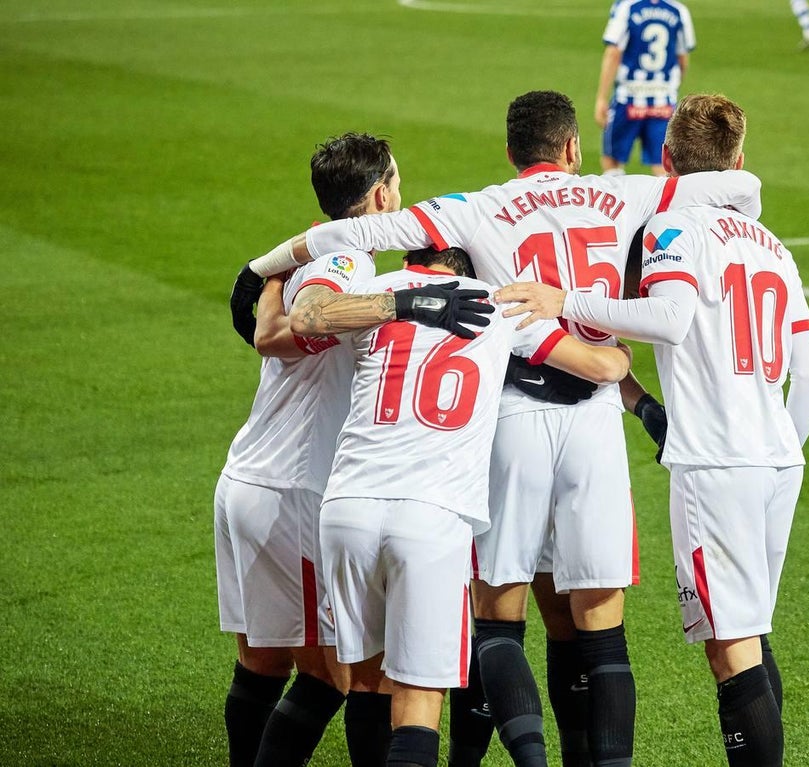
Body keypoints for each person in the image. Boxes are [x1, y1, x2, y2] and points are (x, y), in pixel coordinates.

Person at [245, 89, 762, 767]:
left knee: (495, 618)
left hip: (509, 412)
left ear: (511, 151)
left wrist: (263, 267)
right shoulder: (629, 193)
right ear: (573, 148)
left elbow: (360, 233)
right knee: (602, 629)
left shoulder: (476, 207)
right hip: (595, 412)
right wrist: (633, 389)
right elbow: (731, 184)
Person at [494, 93, 809, 767]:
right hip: (778, 462)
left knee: (731, 649)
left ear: (667, 159)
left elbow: (669, 318)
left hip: (715, 464)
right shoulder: (774, 244)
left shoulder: (675, 231)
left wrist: (568, 302)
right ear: (739, 160)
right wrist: (777, 447)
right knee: (750, 634)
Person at [218, 132, 491, 767]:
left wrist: (265, 275)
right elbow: (283, 334)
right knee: (332, 677)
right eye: (398, 183)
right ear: (380, 195)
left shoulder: (329, 257)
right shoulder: (349, 265)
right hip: (294, 486)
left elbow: (274, 319)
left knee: (263, 663)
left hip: (255, 476)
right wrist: (405, 302)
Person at [313, 245, 632, 767]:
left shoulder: (375, 294)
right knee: (417, 698)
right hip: (432, 515)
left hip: (347, 505)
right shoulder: (492, 300)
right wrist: (623, 357)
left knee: (367, 683)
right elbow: (599, 366)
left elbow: (303, 324)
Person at [595, 0, 696, 177]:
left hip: (628, 99)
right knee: (663, 165)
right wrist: (670, 89)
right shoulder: (679, 11)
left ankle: (618, 203)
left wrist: (602, 97)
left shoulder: (627, 7)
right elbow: (683, 59)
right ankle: (665, 204)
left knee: (612, 162)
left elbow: (613, 52)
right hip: (663, 102)